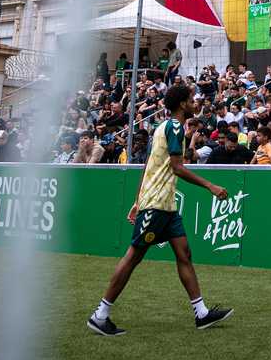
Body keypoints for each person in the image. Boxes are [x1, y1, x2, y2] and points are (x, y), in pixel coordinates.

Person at [88, 83, 232, 335]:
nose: (195, 103)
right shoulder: (175, 127)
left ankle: (201, 313)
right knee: (134, 256)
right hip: (157, 204)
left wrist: (136, 199)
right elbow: (176, 167)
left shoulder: (163, 127)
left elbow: (149, 165)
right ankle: (100, 315)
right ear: (181, 104)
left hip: (165, 205)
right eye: (191, 99)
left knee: (184, 253)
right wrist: (210, 185)